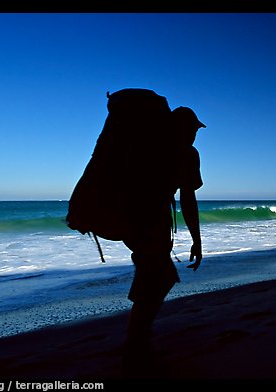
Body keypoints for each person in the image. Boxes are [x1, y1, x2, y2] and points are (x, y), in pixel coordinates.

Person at [121, 106, 205, 373]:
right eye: (193, 129)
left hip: (136, 222)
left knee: (154, 278)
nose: (195, 134)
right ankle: (136, 350)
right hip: (151, 225)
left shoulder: (148, 147)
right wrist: (196, 240)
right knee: (158, 278)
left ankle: (139, 342)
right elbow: (188, 200)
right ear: (183, 128)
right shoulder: (186, 154)